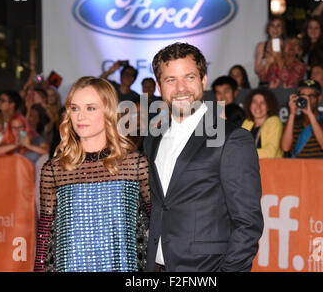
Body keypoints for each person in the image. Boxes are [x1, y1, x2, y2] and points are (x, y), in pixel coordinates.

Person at [144, 42, 263, 272]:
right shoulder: (153, 139)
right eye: (171, 80)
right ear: (159, 86)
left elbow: (248, 223)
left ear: (203, 80)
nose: (180, 88)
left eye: (189, 77)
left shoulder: (232, 139)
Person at [34, 77, 150, 272]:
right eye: (75, 108)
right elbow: (45, 234)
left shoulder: (135, 164)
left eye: (90, 108)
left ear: (108, 111)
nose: (80, 117)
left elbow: (156, 226)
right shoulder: (54, 170)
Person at [281, 79, 323, 159]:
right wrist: (292, 114)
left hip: (319, 168)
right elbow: (285, 147)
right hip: (297, 168)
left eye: (310, 96)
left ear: (319, 98)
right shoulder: (293, 121)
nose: (307, 99)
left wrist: (310, 114)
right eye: (303, 96)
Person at [242, 88, 283, 159]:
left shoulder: (274, 121)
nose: (258, 106)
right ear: (249, 105)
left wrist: (243, 153)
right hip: (249, 167)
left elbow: (270, 153)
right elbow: (238, 147)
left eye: (263, 102)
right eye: (255, 102)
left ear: (269, 107)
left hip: (270, 168)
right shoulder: (247, 122)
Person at [254, 16, 286, 85]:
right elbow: (256, 70)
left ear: (282, 29)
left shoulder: (287, 46)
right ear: (268, 28)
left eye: (278, 26)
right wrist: (266, 61)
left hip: (282, 85)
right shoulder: (262, 46)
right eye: (272, 25)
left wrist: (279, 59)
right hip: (265, 84)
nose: (275, 29)